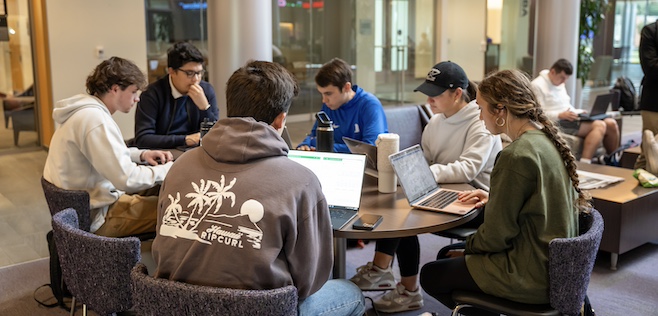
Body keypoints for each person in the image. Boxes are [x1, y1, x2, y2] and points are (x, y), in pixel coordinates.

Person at [151, 60, 365, 316]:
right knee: (351, 293)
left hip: (176, 308)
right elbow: (310, 281)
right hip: (262, 311)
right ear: (280, 120)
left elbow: (160, 249)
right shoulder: (301, 182)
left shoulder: (180, 166)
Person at [419, 69, 589, 309]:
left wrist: (468, 250)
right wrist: (495, 198)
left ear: (500, 110)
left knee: (431, 274)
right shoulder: (545, 141)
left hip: (527, 274)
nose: (479, 117)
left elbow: (497, 237)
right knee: (451, 257)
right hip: (555, 268)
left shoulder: (515, 156)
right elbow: (537, 204)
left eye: (480, 108)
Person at [348, 61, 502, 313]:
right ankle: (388, 274)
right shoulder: (436, 121)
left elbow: (467, 169)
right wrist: (406, 172)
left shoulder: (480, 121)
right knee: (397, 206)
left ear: (457, 94)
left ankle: (396, 280)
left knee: (404, 215)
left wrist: (421, 174)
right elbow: (426, 160)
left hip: (477, 203)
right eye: (427, 92)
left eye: (435, 93)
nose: (429, 99)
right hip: (443, 193)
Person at [43, 57, 173, 237]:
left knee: (158, 188)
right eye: (134, 92)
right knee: (176, 210)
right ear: (115, 89)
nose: (137, 99)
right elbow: (126, 179)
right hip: (99, 216)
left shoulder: (83, 112)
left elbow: (103, 154)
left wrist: (142, 155)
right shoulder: (95, 121)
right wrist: (170, 169)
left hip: (86, 205)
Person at [531, 58, 619, 163]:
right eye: (562, 78)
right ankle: (585, 163)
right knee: (600, 125)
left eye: (566, 79)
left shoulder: (559, 83)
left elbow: (566, 104)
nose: (564, 82)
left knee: (611, 123)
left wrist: (577, 111)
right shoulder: (537, 85)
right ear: (553, 72)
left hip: (569, 118)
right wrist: (560, 115)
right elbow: (538, 113)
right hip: (556, 121)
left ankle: (611, 159)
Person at [134, 41, 219, 149]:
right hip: (163, 152)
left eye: (199, 73)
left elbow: (216, 135)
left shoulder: (206, 90)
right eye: (190, 73)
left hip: (195, 153)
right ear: (172, 71)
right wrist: (186, 140)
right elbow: (143, 139)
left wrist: (205, 108)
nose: (196, 79)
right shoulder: (152, 94)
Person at [296, 58, 387, 153]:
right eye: (322, 94)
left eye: (328, 94)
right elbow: (314, 135)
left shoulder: (369, 105)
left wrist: (327, 148)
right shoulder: (330, 104)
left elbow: (370, 148)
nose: (324, 100)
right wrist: (305, 145)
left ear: (346, 87)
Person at [636, 20, 658, 170]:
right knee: (649, 154)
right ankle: (638, 192)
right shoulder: (651, 31)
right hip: (654, 103)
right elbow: (651, 68)